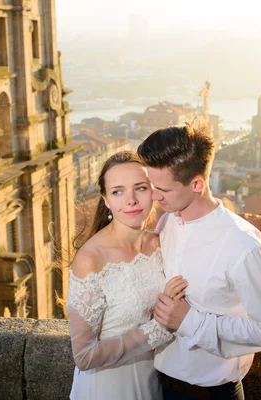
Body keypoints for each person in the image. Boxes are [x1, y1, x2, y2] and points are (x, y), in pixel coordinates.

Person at [137, 124, 261, 400]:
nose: (154, 197)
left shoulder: (243, 245)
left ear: (197, 184)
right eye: (151, 186)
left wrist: (189, 321)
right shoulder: (167, 221)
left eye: (163, 190)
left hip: (211, 394)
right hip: (156, 385)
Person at [66, 151, 188, 400]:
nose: (131, 200)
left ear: (153, 190)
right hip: (107, 387)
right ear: (106, 200)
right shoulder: (90, 259)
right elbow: (84, 356)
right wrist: (159, 328)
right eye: (118, 191)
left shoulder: (162, 242)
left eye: (140, 188)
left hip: (153, 379)